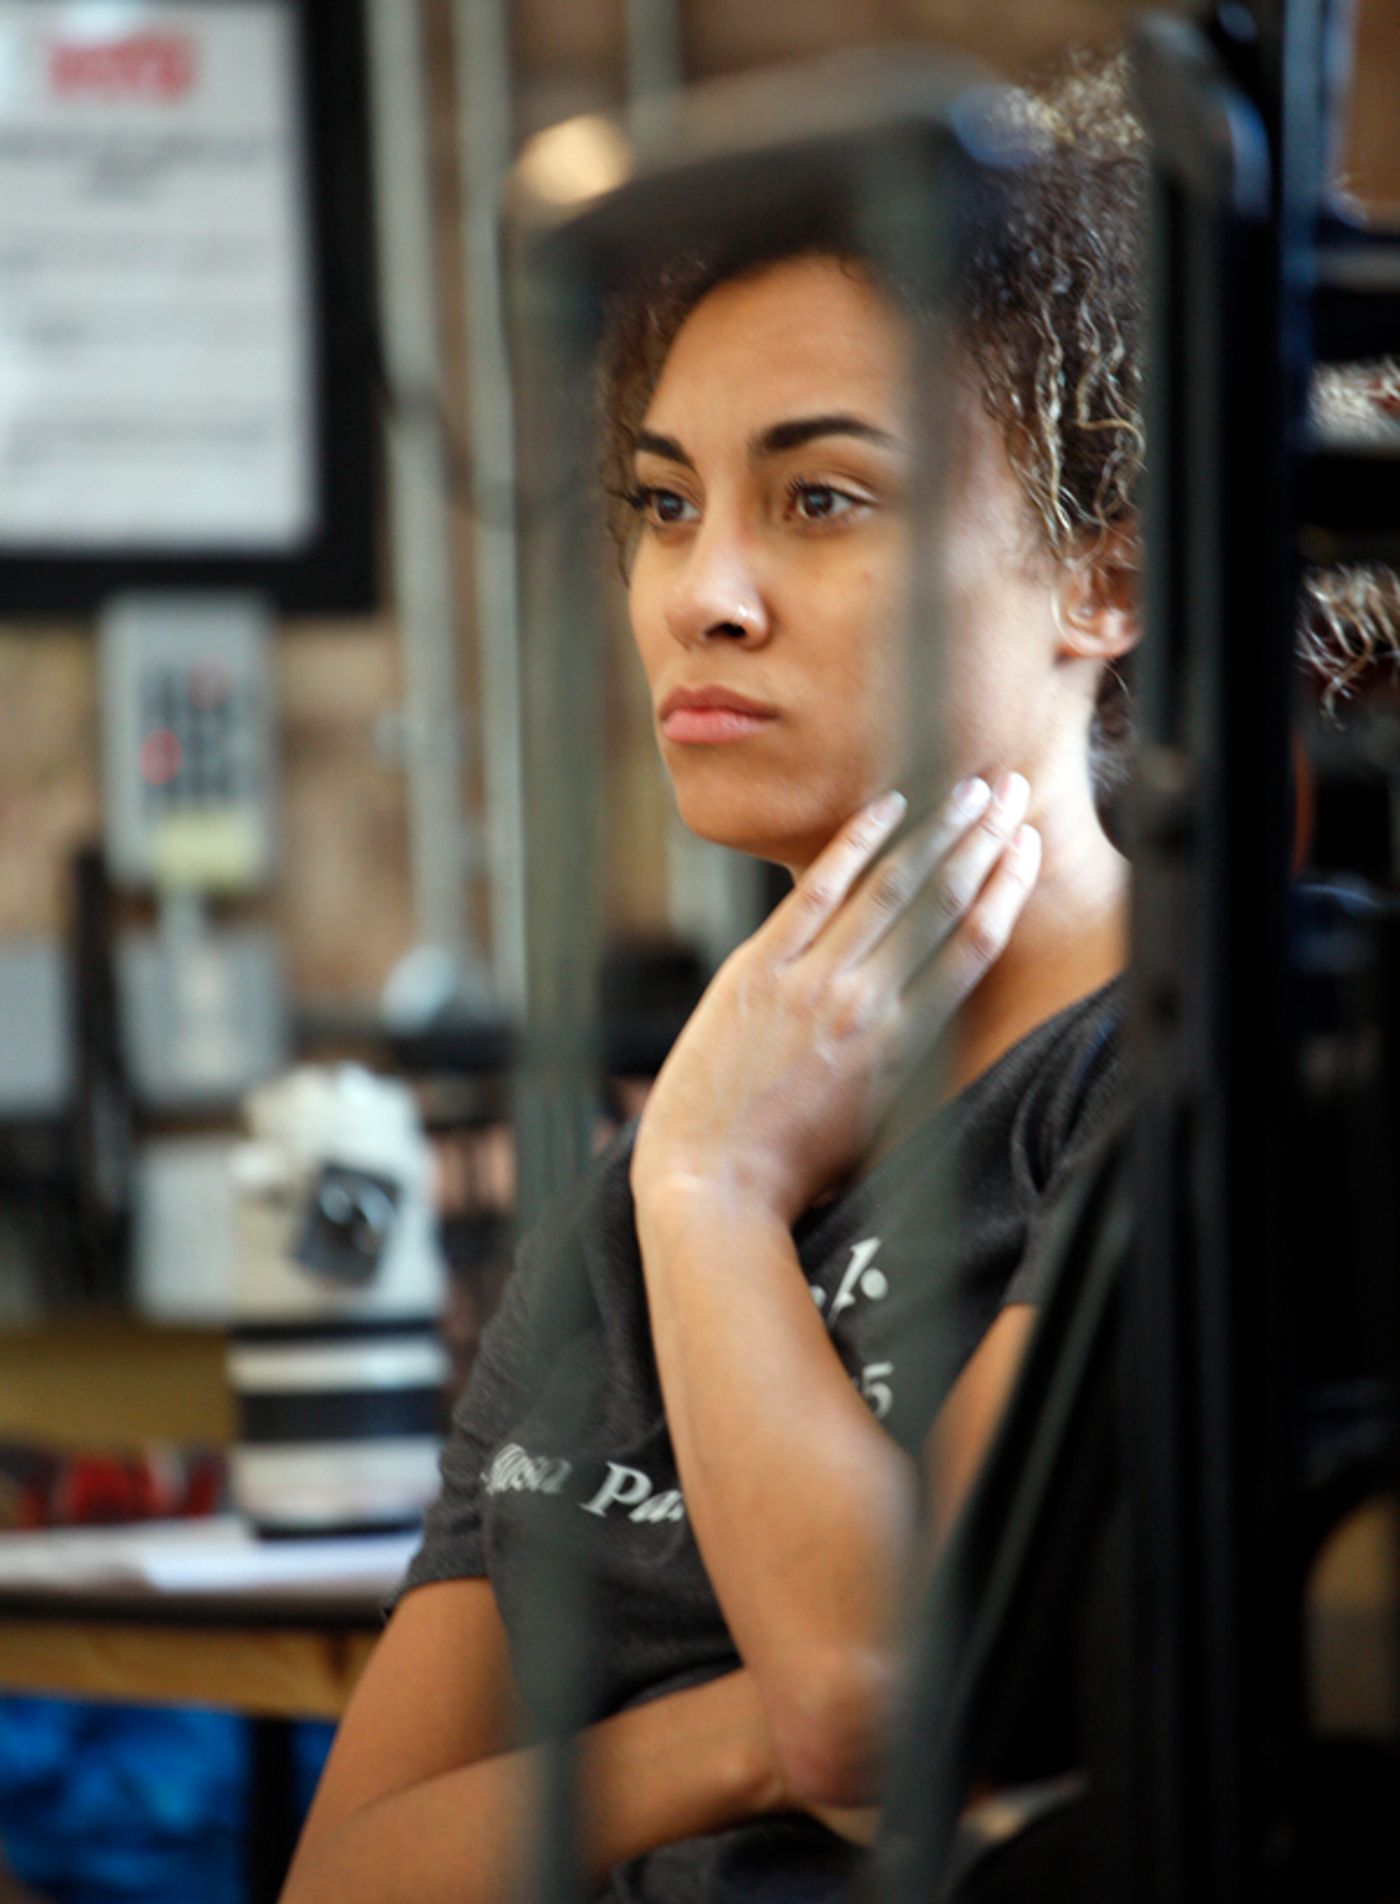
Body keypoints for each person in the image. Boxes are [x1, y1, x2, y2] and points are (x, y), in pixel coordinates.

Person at [276, 60, 1148, 1904]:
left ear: (1110, 571)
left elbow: (880, 1714)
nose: (703, 594)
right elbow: (349, 1875)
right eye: (667, 506)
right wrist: (719, 1737)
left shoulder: (1167, 1082)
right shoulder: (696, 1125)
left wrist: (717, 1194)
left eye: (823, 499)